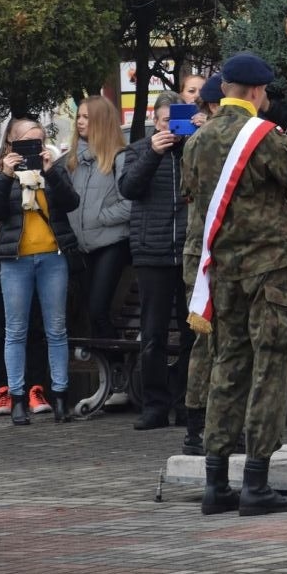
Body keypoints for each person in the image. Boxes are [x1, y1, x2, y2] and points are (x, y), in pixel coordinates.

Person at [182, 52, 287, 517]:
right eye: (265, 91)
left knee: (227, 367)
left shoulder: (197, 142)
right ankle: (257, 482)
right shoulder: (265, 138)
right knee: (270, 369)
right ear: (255, 92)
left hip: (222, 272)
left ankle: (215, 480)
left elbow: (192, 197)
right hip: (269, 274)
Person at [0, 117, 80, 424]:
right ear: (11, 145)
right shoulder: (1, 173)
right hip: (15, 261)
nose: (35, 149)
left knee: (56, 329)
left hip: (52, 258)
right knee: (15, 331)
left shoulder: (52, 169)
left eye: (39, 142)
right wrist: (5, 175)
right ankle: (17, 398)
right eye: (27, 144)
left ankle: (60, 396)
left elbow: (71, 203)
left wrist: (52, 171)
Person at [118, 92, 193, 430]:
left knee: (194, 333)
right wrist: (153, 151)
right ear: (155, 122)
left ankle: (185, 400)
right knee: (153, 336)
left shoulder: (195, 151)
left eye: (178, 120)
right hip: (153, 253)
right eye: (165, 121)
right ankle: (155, 405)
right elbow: (129, 188)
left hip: (190, 253)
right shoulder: (138, 150)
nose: (171, 127)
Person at [180, 72, 223, 455]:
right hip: (205, 255)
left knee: (220, 343)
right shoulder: (204, 143)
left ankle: (211, 424)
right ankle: (197, 425)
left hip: (211, 252)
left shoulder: (201, 141)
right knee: (207, 342)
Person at [66, 97, 132, 345]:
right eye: (79, 117)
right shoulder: (74, 160)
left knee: (98, 310)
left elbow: (130, 204)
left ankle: (117, 366)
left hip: (111, 244)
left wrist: (99, 217)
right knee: (89, 315)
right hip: (82, 246)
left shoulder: (119, 158)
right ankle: (107, 370)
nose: (80, 122)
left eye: (86, 117)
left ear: (101, 122)